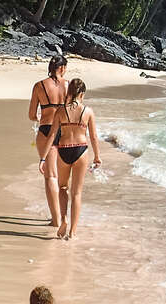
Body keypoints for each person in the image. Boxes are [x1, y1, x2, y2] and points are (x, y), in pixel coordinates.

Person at [48, 78, 101, 240]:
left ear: (69, 93)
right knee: (76, 193)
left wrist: (43, 158)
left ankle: (63, 219)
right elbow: (93, 137)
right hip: (80, 150)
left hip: (63, 150)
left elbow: (52, 135)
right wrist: (97, 157)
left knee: (62, 187)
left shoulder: (60, 111)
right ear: (82, 94)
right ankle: (72, 232)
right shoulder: (88, 111)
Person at [28, 54, 69, 226]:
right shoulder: (69, 85)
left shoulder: (39, 86)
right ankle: (65, 216)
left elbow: (31, 115)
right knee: (64, 178)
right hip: (67, 132)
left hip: (46, 129)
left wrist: (41, 117)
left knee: (50, 176)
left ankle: (56, 220)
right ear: (62, 68)